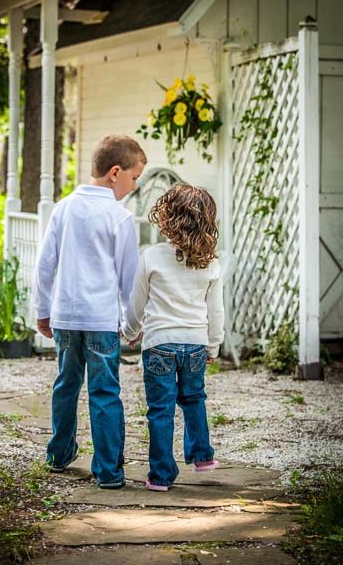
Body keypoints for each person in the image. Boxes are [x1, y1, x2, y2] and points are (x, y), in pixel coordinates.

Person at [33, 134, 146, 489]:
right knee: (104, 392)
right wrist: (133, 323)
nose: (135, 184)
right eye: (134, 176)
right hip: (100, 322)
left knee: (66, 384)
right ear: (115, 172)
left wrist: (42, 310)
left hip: (65, 316)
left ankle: (59, 454)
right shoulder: (120, 218)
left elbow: (44, 264)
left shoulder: (64, 207)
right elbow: (130, 279)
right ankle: (109, 471)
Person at [122, 184, 224, 491]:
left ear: (166, 218)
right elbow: (215, 311)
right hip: (194, 343)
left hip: (159, 345)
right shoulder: (210, 263)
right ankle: (202, 455)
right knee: (194, 398)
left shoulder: (152, 257)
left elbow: (136, 302)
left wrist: (129, 331)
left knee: (161, 409)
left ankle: (162, 475)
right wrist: (213, 344)